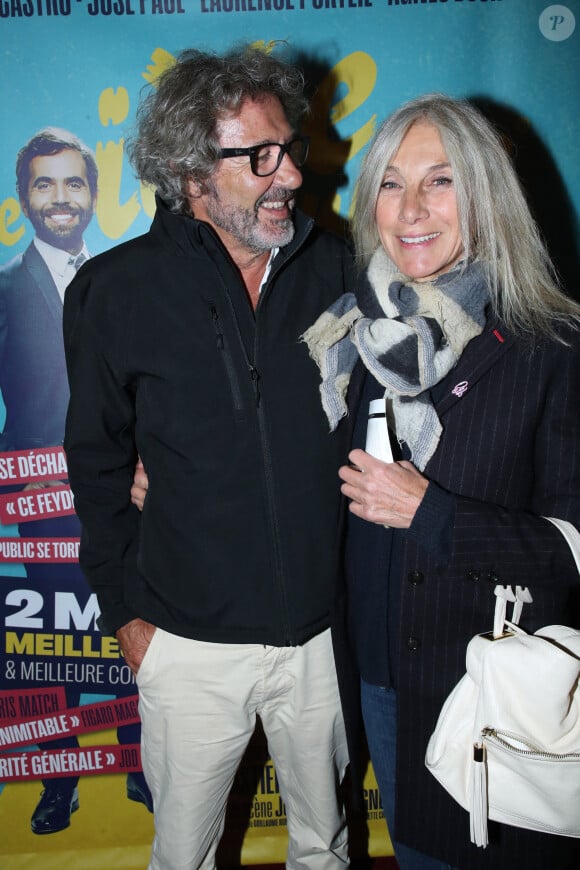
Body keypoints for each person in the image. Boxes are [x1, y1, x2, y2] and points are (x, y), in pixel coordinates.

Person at [63, 46, 354, 870]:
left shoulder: (339, 268)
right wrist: (127, 612)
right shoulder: (114, 291)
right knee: (181, 858)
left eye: (290, 148)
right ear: (193, 170)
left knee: (324, 849)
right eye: (257, 156)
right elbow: (94, 461)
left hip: (321, 640)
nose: (290, 174)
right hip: (185, 645)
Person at [303, 94, 580, 870]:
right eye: (391, 184)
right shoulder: (354, 337)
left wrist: (434, 514)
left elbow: (573, 552)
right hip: (381, 682)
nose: (412, 208)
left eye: (441, 181)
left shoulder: (551, 346)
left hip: (493, 695)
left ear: (487, 196)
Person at [0, 128, 152, 833]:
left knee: (127, 623)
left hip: (129, 498)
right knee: (52, 646)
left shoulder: (126, 280)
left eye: (73, 183)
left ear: (93, 193)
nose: (60, 198)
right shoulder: (3, 290)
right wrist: (14, 478)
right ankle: (57, 780)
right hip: (38, 504)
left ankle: (138, 766)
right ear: (24, 196)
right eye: (43, 183)